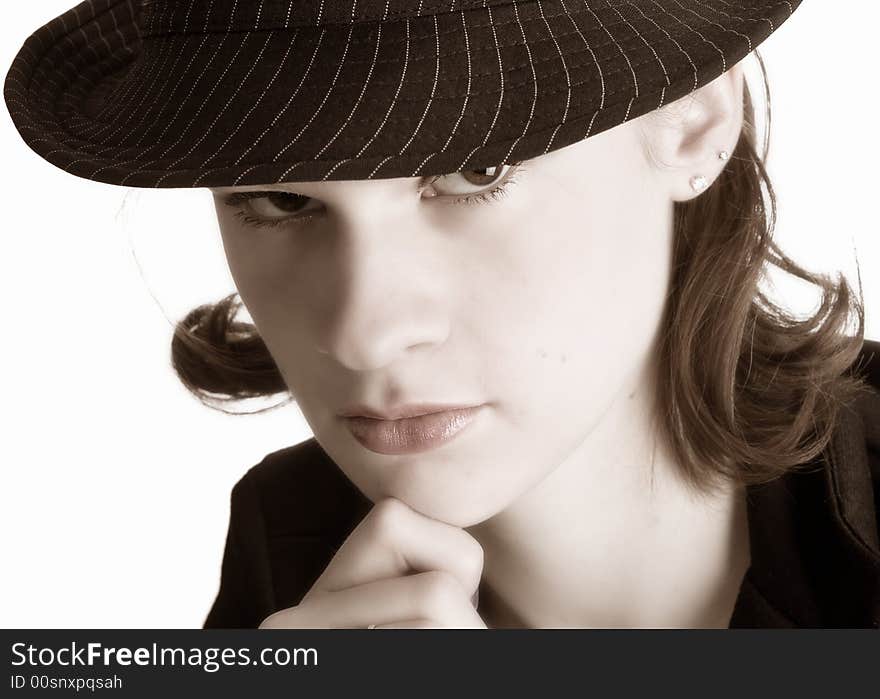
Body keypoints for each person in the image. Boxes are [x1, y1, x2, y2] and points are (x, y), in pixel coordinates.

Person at [6, 0, 879, 628]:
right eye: (279, 198)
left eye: (475, 172)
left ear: (693, 121)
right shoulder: (288, 568)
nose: (365, 333)